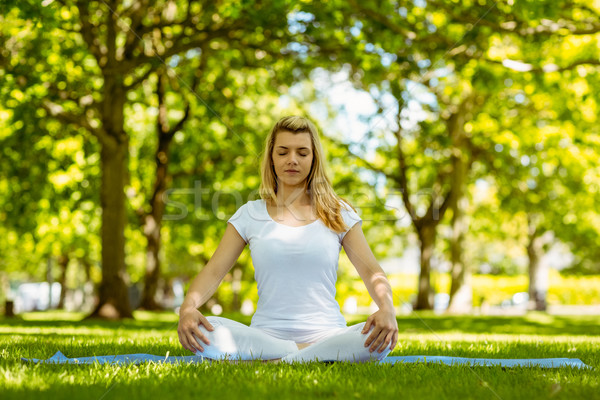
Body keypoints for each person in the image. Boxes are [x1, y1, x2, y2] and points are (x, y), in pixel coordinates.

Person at [177, 116, 398, 362]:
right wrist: (187, 308)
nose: (292, 160)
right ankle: (311, 357)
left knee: (378, 340)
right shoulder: (250, 214)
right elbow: (214, 271)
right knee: (209, 330)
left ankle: (279, 358)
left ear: (314, 159)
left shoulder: (338, 212)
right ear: (271, 157)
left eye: (302, 153)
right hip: (265, 336)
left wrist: (387, 309)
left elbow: (372, 272)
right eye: (283, 152)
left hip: (329, 335)